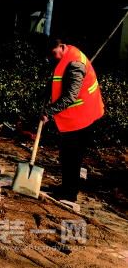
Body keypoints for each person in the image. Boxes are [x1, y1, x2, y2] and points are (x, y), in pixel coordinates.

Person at [41, 39, 104, 202]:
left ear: (62, 47)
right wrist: (48, 92)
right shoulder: (64, 57)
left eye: (53, 53)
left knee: (72, 156)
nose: (51, 57)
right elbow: (59, 79)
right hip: (75, 116)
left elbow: (70, 96)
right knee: (67, 154)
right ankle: (65, 187)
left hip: (83, 116)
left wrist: (49, 111)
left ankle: (70, 193)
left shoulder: (75, 64)